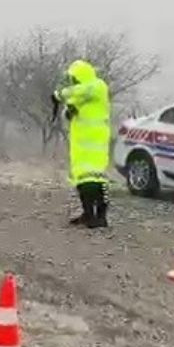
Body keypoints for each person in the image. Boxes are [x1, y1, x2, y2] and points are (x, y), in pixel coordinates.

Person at [53, 59, 111, 228]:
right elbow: (68, 113)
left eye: (74, 78)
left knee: (95, 179)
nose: (73, 82)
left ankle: (99, 217)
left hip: (95, 142)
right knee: (83, 180)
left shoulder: (97, 86)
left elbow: (78, 92)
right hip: (80, 145)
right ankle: (89, 214)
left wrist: (59, 94)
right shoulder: (80, 96)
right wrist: (68, 111)